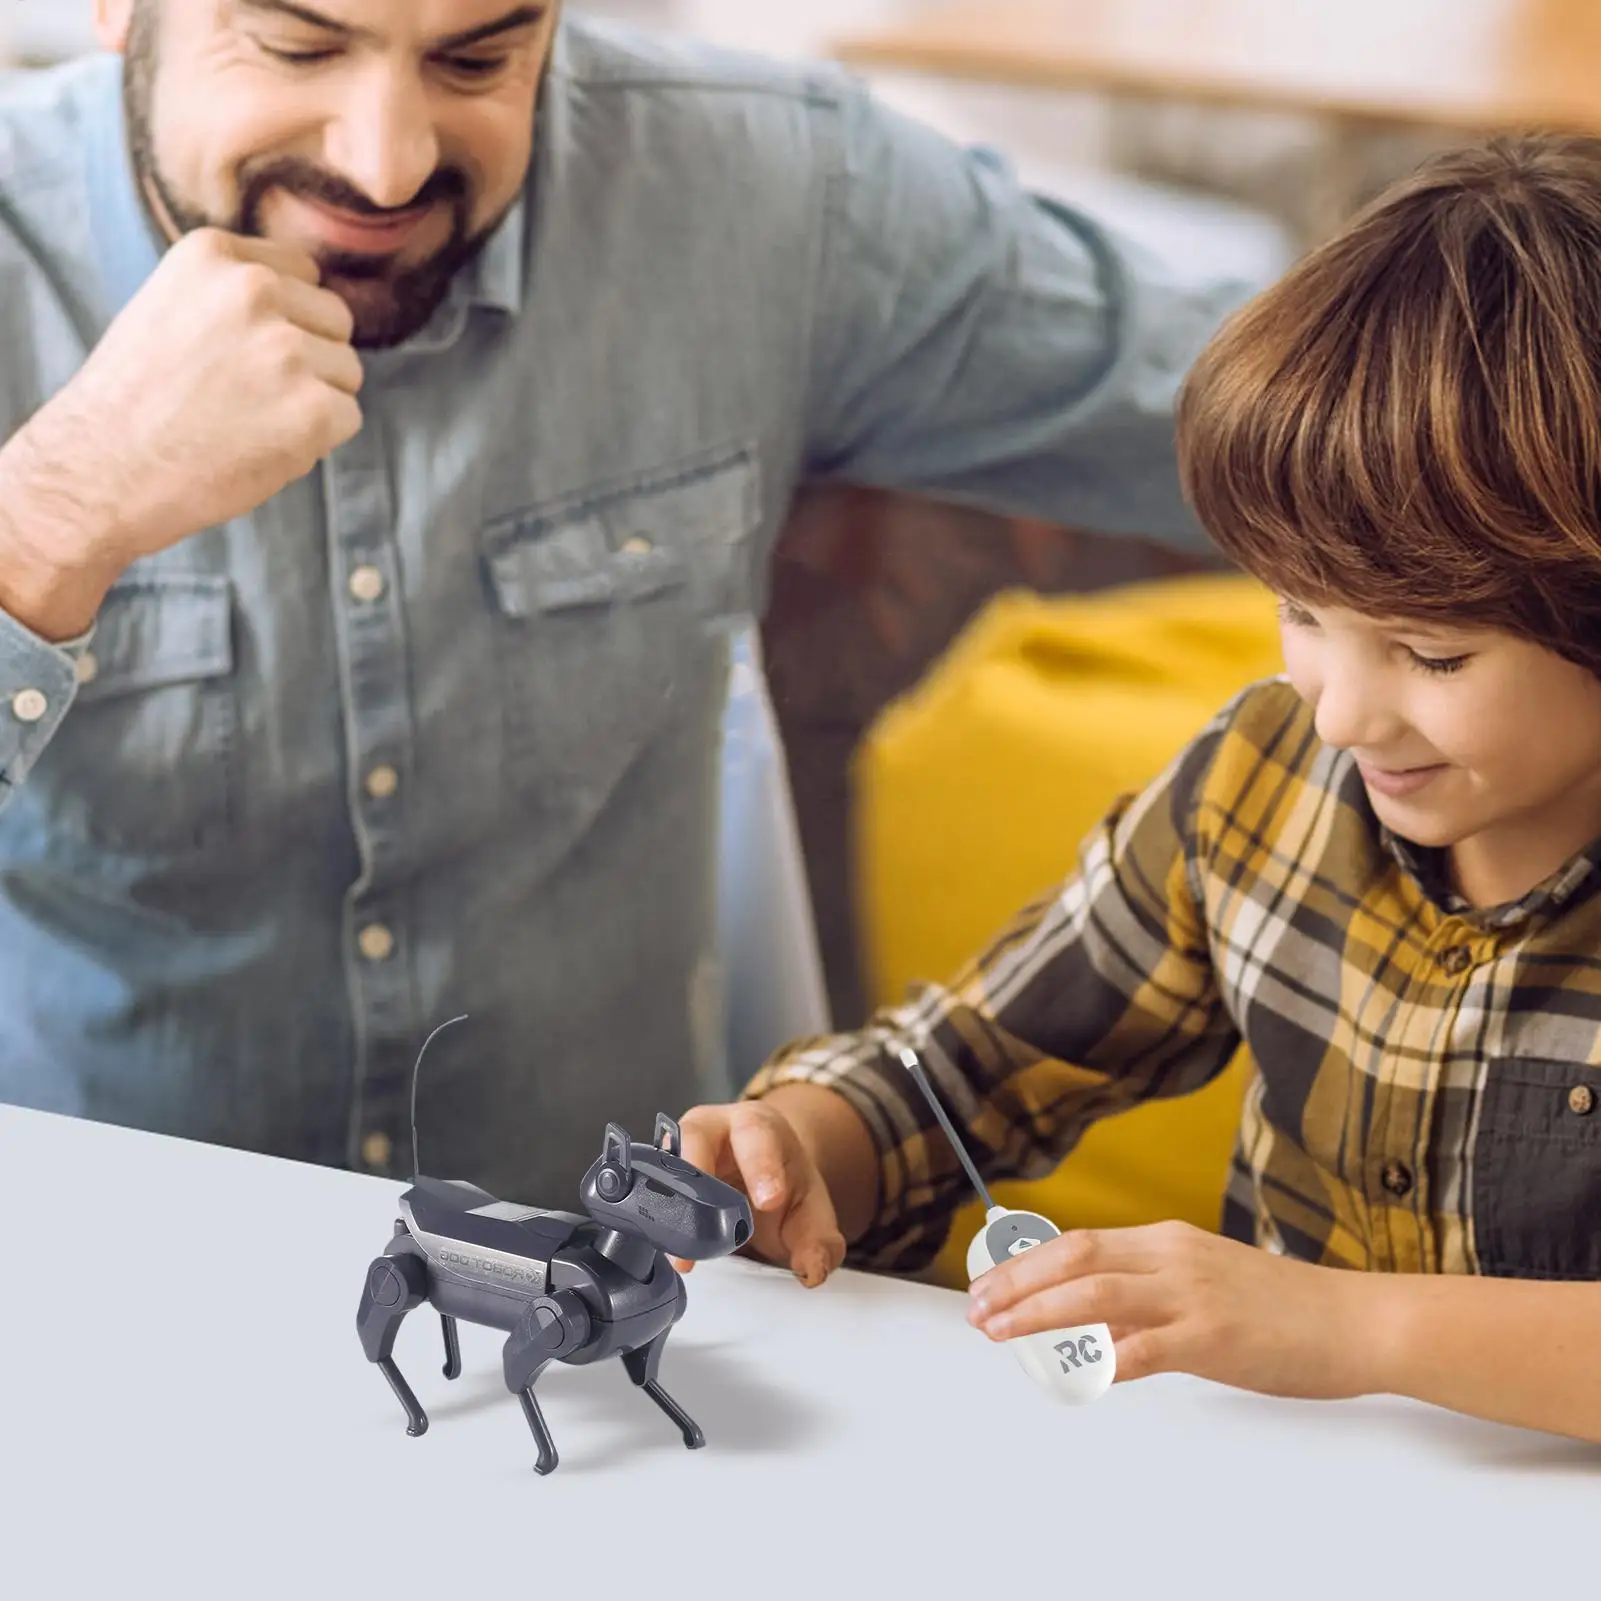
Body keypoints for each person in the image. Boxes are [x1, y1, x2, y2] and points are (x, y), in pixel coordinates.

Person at [0, 1, 1248, 1201]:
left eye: (479, 59)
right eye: (297, 44)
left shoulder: (769, 189)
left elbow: (1310, 412)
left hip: (623, 1280)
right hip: (101, 1280)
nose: (387, 165)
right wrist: (53, 512)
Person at [677, 132, 1601, 1445]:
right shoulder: (1263, 780)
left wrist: (1341, 1324)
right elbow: (970, 1064)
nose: (1339, 709)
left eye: (1432, 652)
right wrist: (801, 1142)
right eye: (1299, 613)